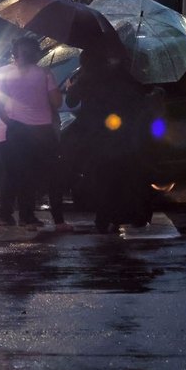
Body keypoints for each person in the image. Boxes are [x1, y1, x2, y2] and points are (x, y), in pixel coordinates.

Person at [62, 45, 157, 233]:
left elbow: (71, 101)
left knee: (102, 179)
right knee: (126, 176)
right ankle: (133, 215)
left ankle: (104, 218)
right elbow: (139, 98)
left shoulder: (86, 79)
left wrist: (71, 88)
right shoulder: (123, 76)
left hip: (96, 136)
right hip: (124, 134)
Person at [0, 36, 64, 230]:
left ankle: (5, 215)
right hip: (40, 132)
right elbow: (57, 102)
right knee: (31, 175)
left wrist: (11, 124)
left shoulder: (3, 73)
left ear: (14, 53)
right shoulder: (44, 74)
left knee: (11, 174)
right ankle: (27, 216)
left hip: (10, 132)